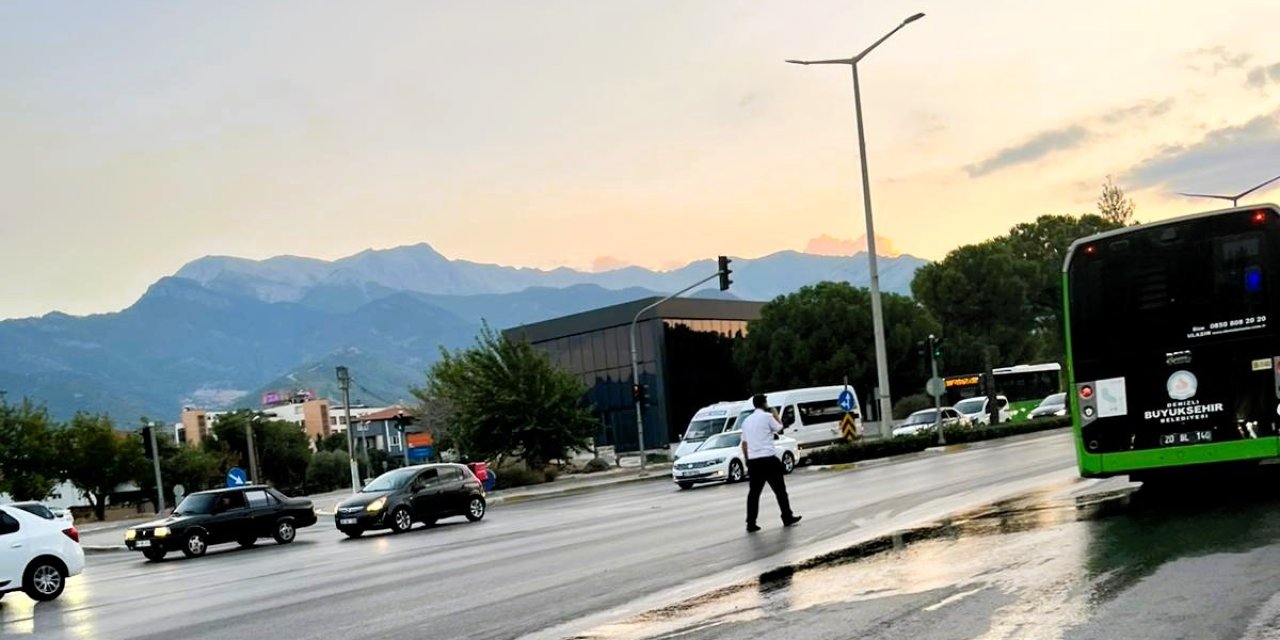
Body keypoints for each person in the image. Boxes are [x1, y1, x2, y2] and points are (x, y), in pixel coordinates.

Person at [740, 393, 801, 532]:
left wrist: (747, 460)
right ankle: (787, 516)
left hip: (754, 461)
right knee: (780, 491)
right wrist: (775, 414)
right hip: (768, 459)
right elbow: (780, 428)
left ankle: (751, 523)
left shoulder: (746, 421)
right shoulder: (767, 417)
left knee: (754, 494)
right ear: (763, 404)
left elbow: (744, 443)